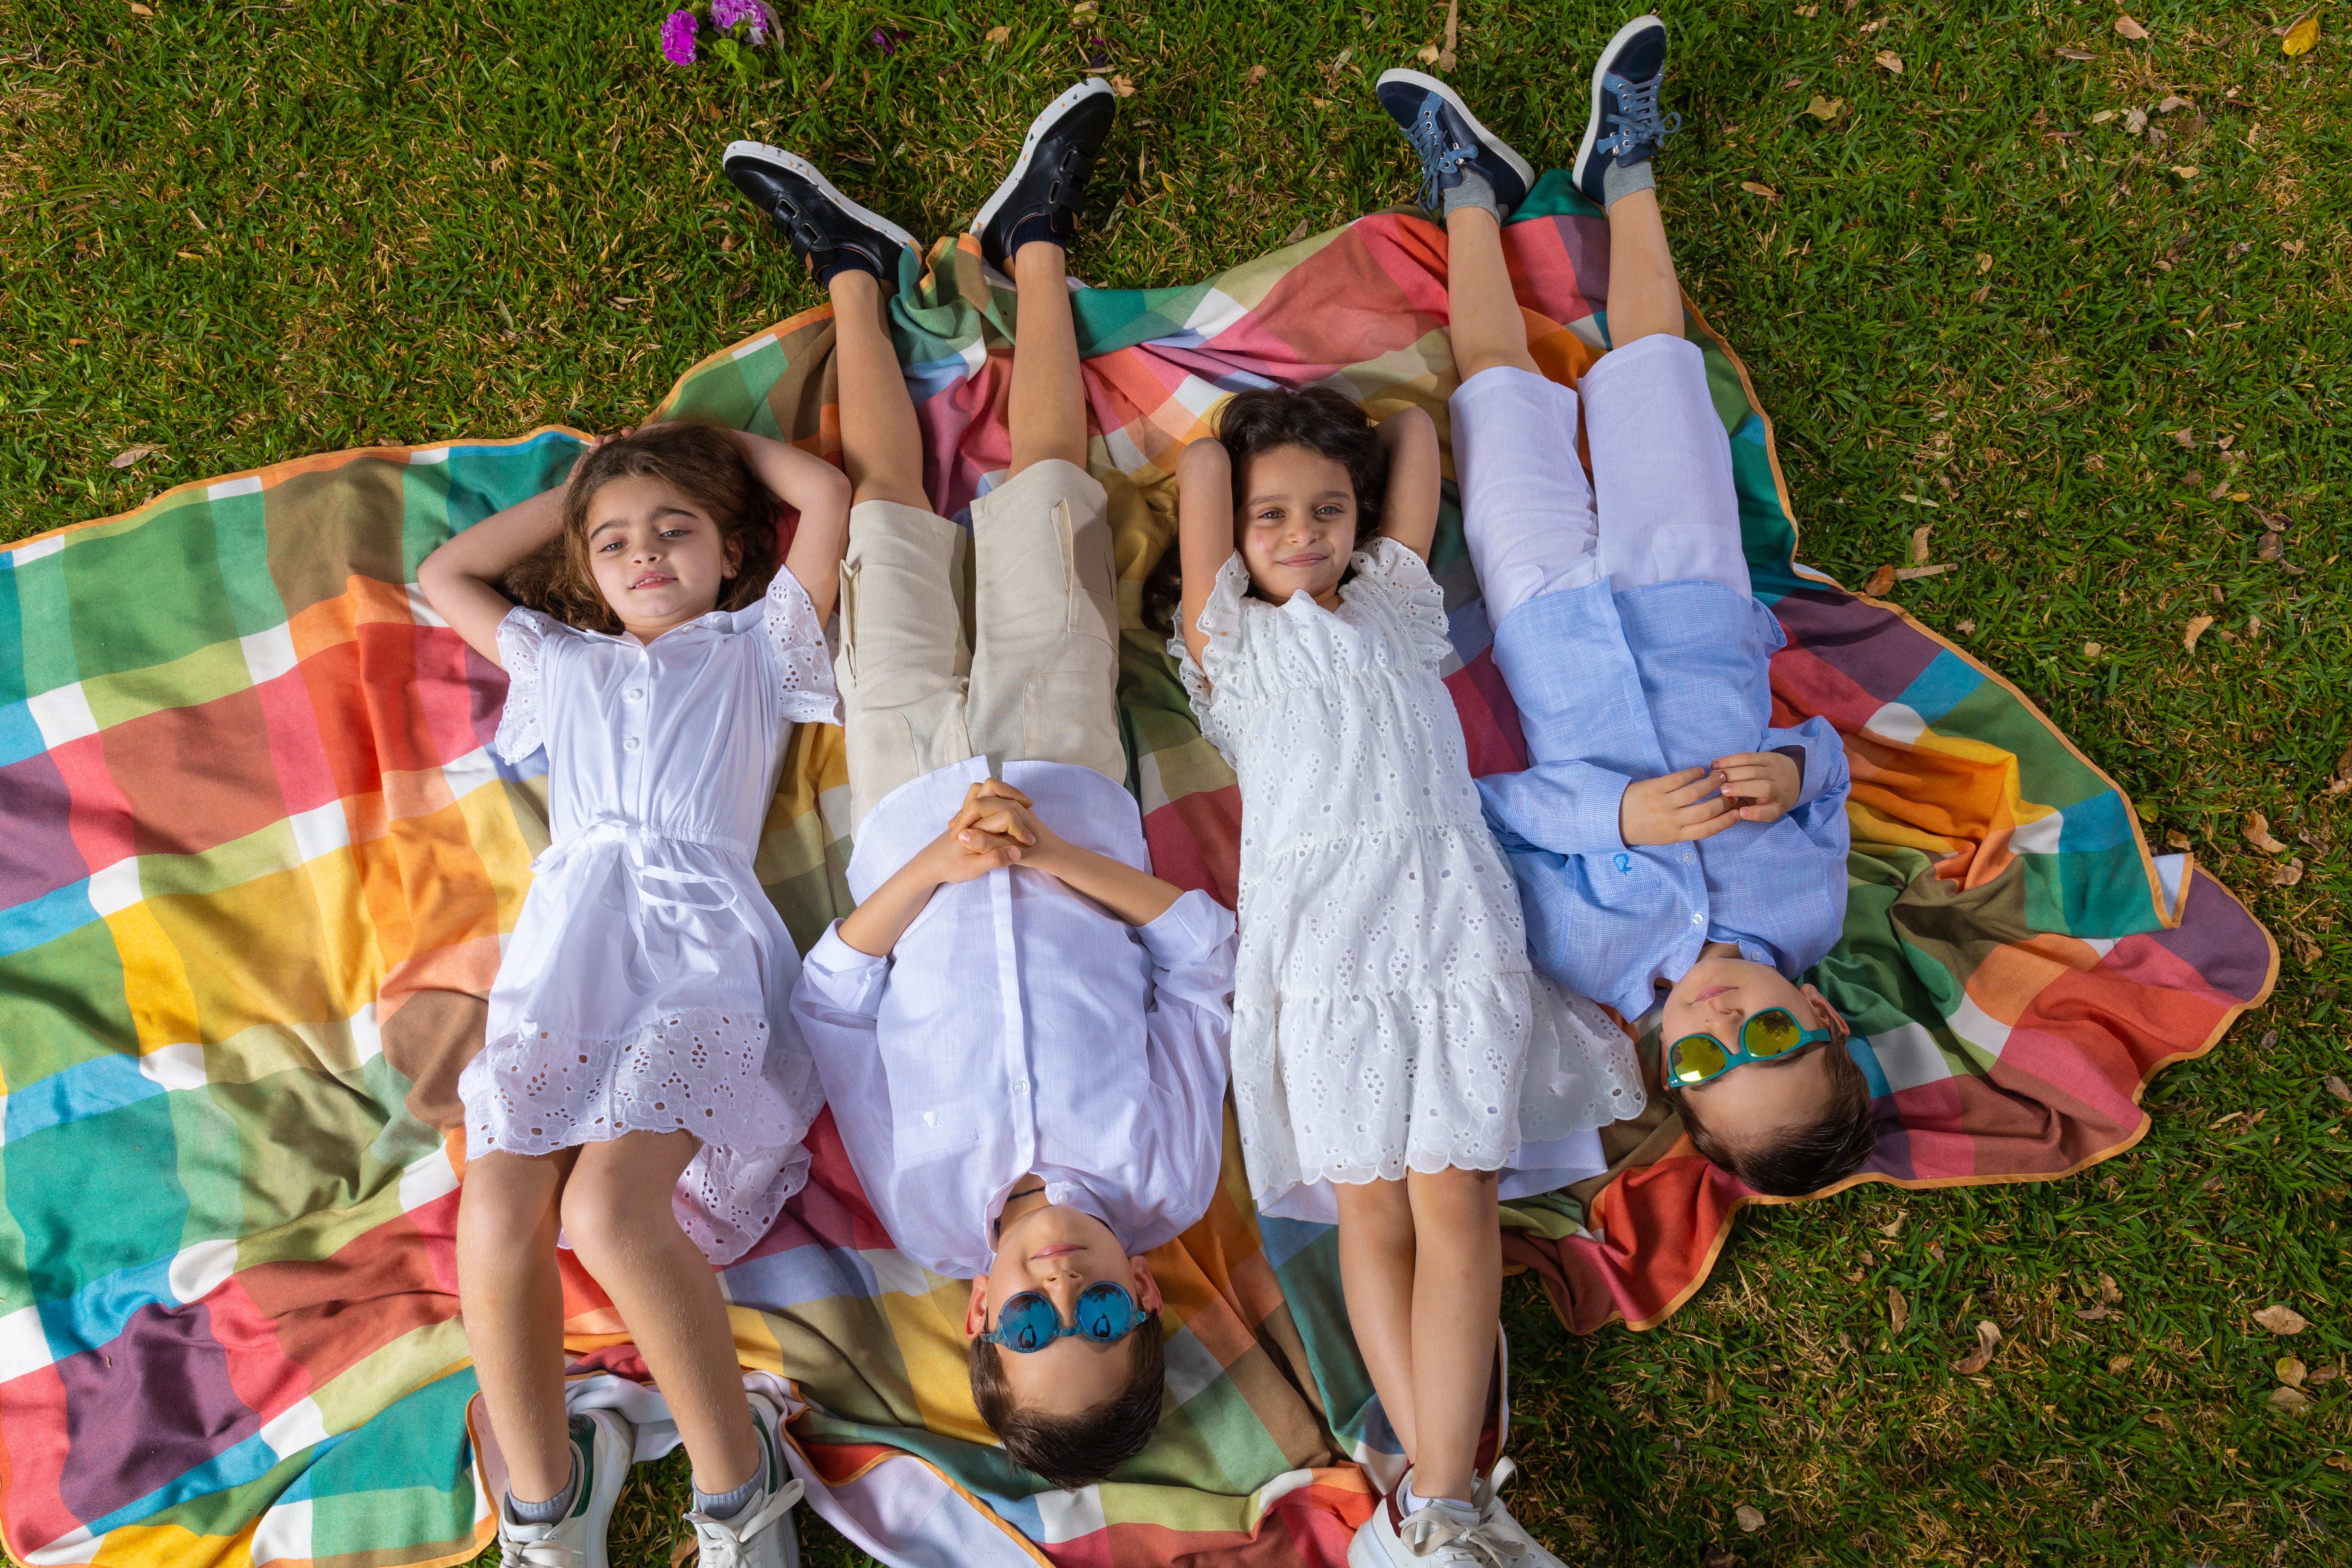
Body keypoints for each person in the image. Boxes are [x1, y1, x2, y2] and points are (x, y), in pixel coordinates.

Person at [723, 80, 1238, 1493]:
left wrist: (940, 867)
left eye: (1027, 1323)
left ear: (975, 1319)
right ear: (1150, 1298)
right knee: (1049, 487)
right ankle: (1039, 247)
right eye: (1099, 1315)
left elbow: (834, 996)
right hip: (1068, 774)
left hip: (904, 795)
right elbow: (1206, 967)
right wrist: (1059, 863)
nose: (1058, 1284)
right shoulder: (1172, 1177)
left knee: (888, 503)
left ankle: (848, 268)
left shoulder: (919, 1198)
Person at [1147, 131, 1649, 1568]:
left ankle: (1439, 1502)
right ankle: (1444, 1496)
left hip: (1438, 906)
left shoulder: (1401, 608)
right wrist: (1251, 455)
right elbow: (1197, 476)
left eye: (1327, 511)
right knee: (1371, 1205)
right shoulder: (1225, 642)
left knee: (1457, 1201)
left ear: (1363, 526)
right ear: (1238, 541)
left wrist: (1347, 451)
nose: (1301, 532)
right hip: (1319, 931)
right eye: (1275, 518)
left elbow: (1419, 442)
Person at [1375, 16, 1872, 1218]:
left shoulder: (1588, 959)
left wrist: (1615, 813)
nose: (1723, 1029)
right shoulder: (1809, 908)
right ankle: (1626, 176)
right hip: (1695, 600)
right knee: (1658, 368)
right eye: (1770, 1039)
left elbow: (1491, 816)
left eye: (1705, 1066)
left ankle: (1470, 197)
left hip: (1554, 627)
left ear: (1670, 1075)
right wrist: (1788, 774)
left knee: (1496, 396)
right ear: (1820, 1014)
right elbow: (1832, 771)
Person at [416, 416, 850, 1565]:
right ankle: (548, 1511)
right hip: (565, 956)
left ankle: (740, 1491)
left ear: (731, 549)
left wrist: (703, 445)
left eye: (676, 530)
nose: (646, 552)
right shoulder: (563, 661)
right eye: (613, 543)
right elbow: (445, 572)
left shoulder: (758, 645)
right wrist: (587, 483)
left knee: (609, 1211)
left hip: (698, 947)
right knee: (501, 1212)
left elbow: (824, 492)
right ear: (582, 567)